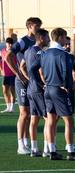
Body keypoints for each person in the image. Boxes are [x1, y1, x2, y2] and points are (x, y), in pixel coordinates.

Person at [33, 28, 75, 160]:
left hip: (48, 89)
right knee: (69, 120)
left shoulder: (44, 53)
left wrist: (41, 83)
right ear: (61, 37)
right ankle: (71, 151)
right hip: (59, 90)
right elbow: (66, 71)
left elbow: (33, 69)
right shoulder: (64, 55)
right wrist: (66, 85)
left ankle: (52, 151)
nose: (66, 41)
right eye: (65, 37)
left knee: (51, 120)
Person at [5, 17, 42, 155]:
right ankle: (20, 144)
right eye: (37, 25)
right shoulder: (23, 41)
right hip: (22, 81)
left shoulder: (38, 41)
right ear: (30, 26)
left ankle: (26, 142)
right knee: (24, 113)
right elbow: (8, 56)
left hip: (32, 80)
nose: (38, 27)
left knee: (31, 114)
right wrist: (18, 74)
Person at [24, 29, 50, 157]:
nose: (49, 40)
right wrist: (41, 83)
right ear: (41, 38)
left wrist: (29, 79)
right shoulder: (40, 52)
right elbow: (36, 70)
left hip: (30, 89)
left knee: (34, 119)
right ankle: (47, 149)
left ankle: (34, 149)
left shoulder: (28, 51)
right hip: (38, 90)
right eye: (47, 37)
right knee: (48, 118)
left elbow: (23, 66)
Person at [0, 37, 17, 113]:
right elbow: (1, 62)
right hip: (5, 75)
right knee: (4, 91)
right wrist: (1, 70)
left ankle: (12, 108)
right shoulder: (2, 51)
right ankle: (8, 107)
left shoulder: (13, 52)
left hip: (12, 74)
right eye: (8, 43)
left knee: (12, 91)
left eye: (11, 43)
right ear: (6, 43)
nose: (10, 45)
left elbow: (16, 63)